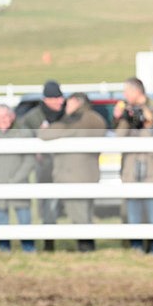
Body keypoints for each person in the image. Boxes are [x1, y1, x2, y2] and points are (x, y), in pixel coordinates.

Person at [39, 93, 107, 252]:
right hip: (85, 174)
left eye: (68, 103)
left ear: (76, 102)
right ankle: (85, 247)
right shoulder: (95, 119)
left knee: (79, 215)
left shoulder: (76, 120)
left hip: (73, 175)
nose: (65, 106)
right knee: (84, 214)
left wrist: (54, 125)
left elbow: (46, 134)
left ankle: (85, 249)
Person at [113, 77, 153, 253]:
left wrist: (147, 123)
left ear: (136, 91)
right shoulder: (127, 113)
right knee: (133, 208)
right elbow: (119, 137)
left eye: (126, 91)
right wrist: (122, 118)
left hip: (151, 168)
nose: (124, 95)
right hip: (131, 168)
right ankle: (135, 247)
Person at [16, 79, 66, 251]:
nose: (61, 101)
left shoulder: (65, 114)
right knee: (48, 206)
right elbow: (22, 136)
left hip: (66, 166)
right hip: (45, 167)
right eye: (57, 98)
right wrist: (34, 147)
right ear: (47, 99)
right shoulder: (33, 117)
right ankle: (49, 244)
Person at [0, 105, 36, 252]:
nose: (2, 120)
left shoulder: (22, 134)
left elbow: (29, 160)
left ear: (12, 116)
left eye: (5, 116)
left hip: (19, 184)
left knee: (24, 220)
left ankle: (28, 249)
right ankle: (4, 250)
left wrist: (16, 180)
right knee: (1, 220)